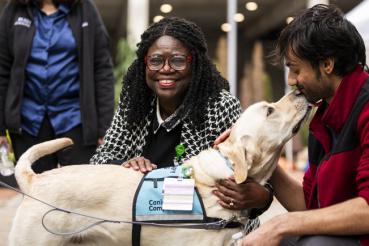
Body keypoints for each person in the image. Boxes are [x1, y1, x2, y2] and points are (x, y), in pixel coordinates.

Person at [90, 17, 273, 236]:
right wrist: (125, 164)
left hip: (209, 230)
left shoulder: (220, 106)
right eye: (156, 60)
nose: (166, 69)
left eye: (177, 61)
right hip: (147, 228)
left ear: (194, 63)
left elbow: (255, 174)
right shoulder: (134, 105)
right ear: (145, 63)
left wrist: (264, 197)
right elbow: (100, 158)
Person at [229, 4, 369, 246]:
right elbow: (311, 206)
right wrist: (263, 155)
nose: (291, 81)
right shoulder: (323, 117)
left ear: (327, 64)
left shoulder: (365, 108)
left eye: (295, 69)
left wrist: (282, 224)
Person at [0, 0, 115, 176]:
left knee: (78, 191)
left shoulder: (85, 8)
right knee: (36, 194)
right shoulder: (14, 10)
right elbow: (2, 69)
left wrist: (105, 127)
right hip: (28, 122)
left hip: (77, 120)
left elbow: (102, 69)